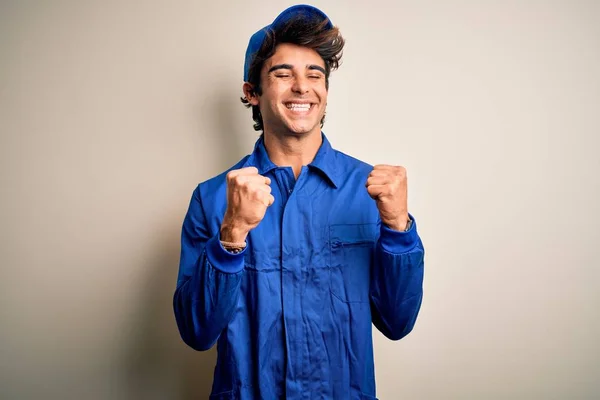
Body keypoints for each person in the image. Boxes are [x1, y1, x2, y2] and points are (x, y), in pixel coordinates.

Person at [173, 5, 425, 399]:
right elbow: (196, 332)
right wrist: (232, 235)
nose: (302, 86)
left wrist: (398, 229)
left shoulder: (371, 193)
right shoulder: (211, 199)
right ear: (251, 92)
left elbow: (398, 322)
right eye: (283, 73)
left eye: (314, 74)